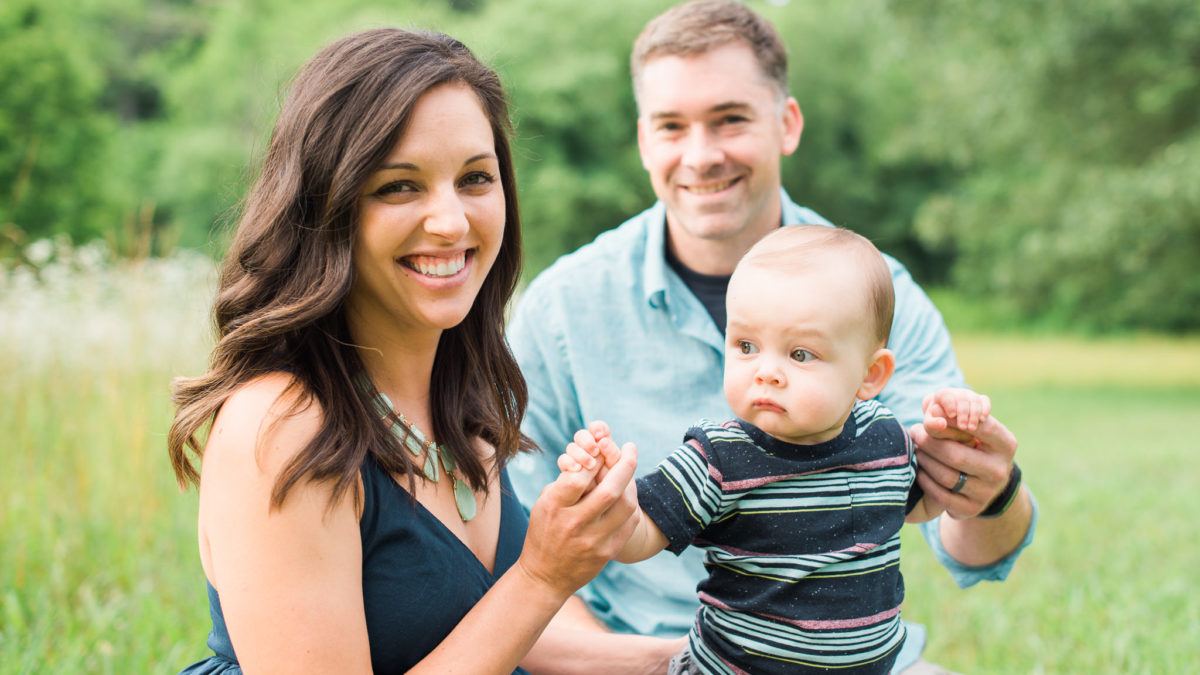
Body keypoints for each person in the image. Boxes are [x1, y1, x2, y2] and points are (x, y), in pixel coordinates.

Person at [506, 2, 1037, 673]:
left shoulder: (877, 293)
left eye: (730, 119)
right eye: (673, 126)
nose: (701, 155)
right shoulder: (562, 308)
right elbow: (515, 553)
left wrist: (989, 489)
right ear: (645, 142)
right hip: (642, 656)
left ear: (786, 124)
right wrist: (673, 660)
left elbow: (970, 541)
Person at [167, 28, 679, 674]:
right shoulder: (285, 428)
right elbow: (515, 606)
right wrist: (545, 576)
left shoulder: (462, 405)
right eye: (400, 187)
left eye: (474, 178)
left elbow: (488, 629)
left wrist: (691, 657)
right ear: (327, 207)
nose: (451, 221)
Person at [556, 226, 992, 674]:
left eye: (800, 354)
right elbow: (643, 537)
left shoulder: (885, 438)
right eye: (746, 346)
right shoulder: (719, 456)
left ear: (871, 375)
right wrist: (613, 504)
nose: (767, 372)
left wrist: (956, 436)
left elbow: (918, 507)